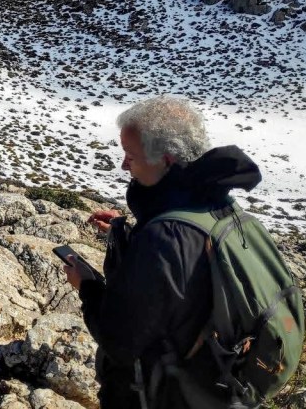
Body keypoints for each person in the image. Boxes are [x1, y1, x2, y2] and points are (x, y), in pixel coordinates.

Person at [64, 95, 263, 409]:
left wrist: (87, 287)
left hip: (163, 394)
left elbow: (120, 340)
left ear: (167, 159)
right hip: (215, 384)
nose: (123, 164)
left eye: (130, 155)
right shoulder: (215, 202)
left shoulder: (166, 235)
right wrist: (125, 231)